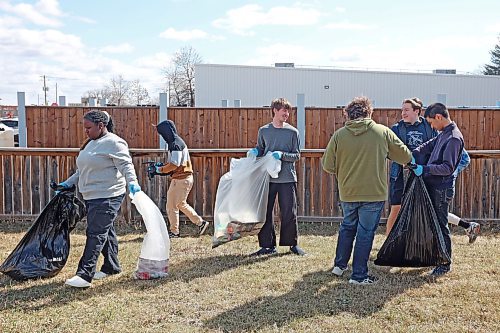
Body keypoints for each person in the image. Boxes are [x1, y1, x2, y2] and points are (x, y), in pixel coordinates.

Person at [322, 96, 412, 285]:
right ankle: (359, 275)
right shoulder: (382, 132)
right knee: (365, 232)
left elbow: (328, 165)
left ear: (348, 114)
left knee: (347, 227)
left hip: (348, 191)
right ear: (369, 112)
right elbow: (405, 156)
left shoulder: (339, 135)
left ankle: (339, 266)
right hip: (374, 192)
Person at [60, 110, 142, 288]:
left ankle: (84, 275)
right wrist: (67, 184)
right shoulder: (91, 143)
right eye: (85, 128)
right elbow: (82, 170)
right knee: (106, 231)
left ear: (101, 125)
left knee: (95, 234)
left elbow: (127, 166)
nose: (86, 131)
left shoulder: (114, 142)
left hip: (108, 196)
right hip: (92, 196)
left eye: (89, 127)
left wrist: (133, 184)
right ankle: (111, 267)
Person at [386, 98, 480, 242]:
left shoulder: (439, 131)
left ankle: (439, 250)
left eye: (406, 110)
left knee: (430, 211)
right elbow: (424, 146)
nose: (402, 113)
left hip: (426, 176)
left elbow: (463, 158)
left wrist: (448, 174)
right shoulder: (397, 129)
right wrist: (410, 157)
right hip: (405, 174)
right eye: (402, 110)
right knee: (402, 208)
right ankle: (390, 242)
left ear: (417, 111)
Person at [411, 102, 465, 276]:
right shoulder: (443, 134)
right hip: (435, 185)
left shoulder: (454, 138)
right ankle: (437, 256)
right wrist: (412, 152)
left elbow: (447, 168)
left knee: (441, 226)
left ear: (439, 117)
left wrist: (424, 169)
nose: (431, 126)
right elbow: (429, 144)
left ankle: (444, 263)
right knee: (435, 223)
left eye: (431, 122)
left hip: (442, 189)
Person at [247, 97, 306, 256]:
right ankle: (267, 246)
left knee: (289, 212)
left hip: (287, 178)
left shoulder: (293, 132)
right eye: (283, 110)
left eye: (288, 111)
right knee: (265, 212)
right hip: (267, 178)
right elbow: (260, 149)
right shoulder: (264, 131)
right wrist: (254, 152)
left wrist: (282, 155)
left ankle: (292, 245)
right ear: (275, 110)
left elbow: (297, 156)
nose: (286, 114)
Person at [155, 120, 209, 238]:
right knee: (179, 204)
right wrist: (164, 169)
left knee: (172, 206)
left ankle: (175, 232)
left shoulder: (175, 144)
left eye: (162, 133)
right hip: (182, 178)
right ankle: (200, 223)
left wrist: (160, 170)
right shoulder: (176, 142)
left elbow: (175, 164)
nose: (162, 136)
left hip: (181, 179)